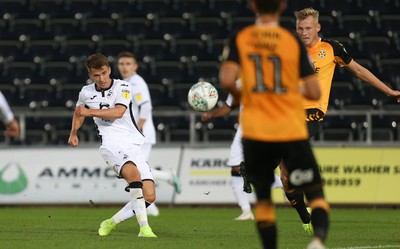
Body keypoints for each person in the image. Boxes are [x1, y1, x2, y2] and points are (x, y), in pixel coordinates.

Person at [279, 6, 400, 236]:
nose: (303, 33)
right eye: (299, 28)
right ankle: (306, 218)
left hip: (311, 113)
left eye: (307, 28)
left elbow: (359, 71)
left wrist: (388, 91)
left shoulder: (331, 48)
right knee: (285, 177)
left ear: (317, 28)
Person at [219, 0, 329, 248]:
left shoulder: (241, 37)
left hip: (256, 131)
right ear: (281, 6)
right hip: (290, 126)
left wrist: (239, 97)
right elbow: (313, 91)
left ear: (252, 5)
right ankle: (319, 239)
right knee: (315, 192)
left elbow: (226, 78)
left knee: (265, 200)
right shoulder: (291, 41)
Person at [68, 53, 157, 238]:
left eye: (103, 73)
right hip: (111, 145)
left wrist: (88, 112)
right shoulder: (85, 92)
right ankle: (144, 229)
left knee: (149, 196)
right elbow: (78, 113)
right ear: (90, 75)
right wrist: (74, 133)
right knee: (134, 175)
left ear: (109, 70)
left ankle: (111, 222)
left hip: (132, 143)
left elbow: (118, 112)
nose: (101, 78)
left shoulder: (123, 86)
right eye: (96, 75)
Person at [201, 80, 283, 221]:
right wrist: (211, 115)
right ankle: (246, 211)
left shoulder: (269, 78)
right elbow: (229, 106)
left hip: (264, 129)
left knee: (258, 169)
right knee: (235, 168)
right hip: (244, 129)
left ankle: (286, 185)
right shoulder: (239, 82)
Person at [115, 51, 182, 217]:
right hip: (136, 135)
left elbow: (145, 107)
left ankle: (151, 203)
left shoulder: (136, 83)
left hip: (141, 135)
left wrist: (137, 130)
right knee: (136, 171)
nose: (124, 67)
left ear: (135, 66)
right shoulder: (126, 83)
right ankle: (164, 181)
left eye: (128, 64)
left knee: (136, 171)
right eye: (122, 63)